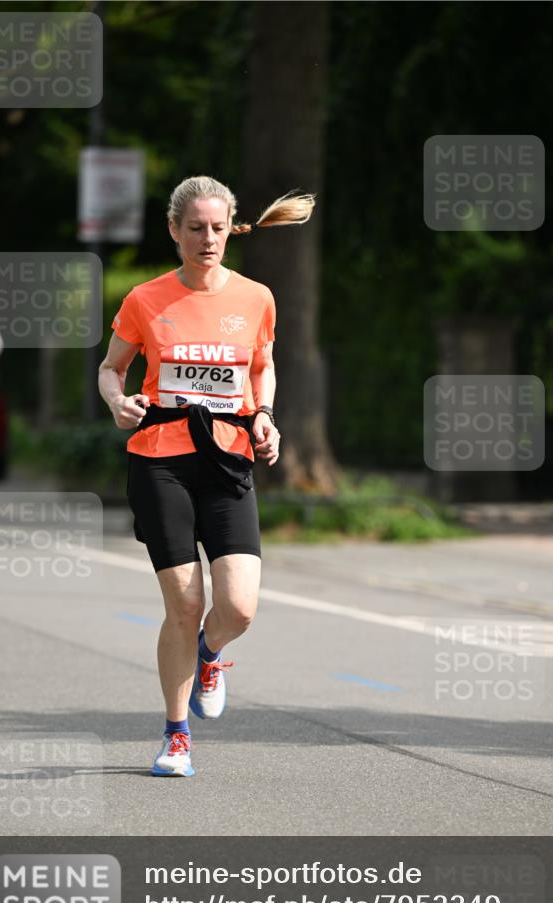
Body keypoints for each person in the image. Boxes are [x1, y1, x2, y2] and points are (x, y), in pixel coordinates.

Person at [98, 175, 315, 777]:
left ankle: (211, 653)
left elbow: (262, 368)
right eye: (195, 228)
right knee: (185, 601)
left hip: (227, 458)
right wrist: (118, 402)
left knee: (239, 608)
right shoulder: (146, 298)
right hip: (160, 457)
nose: (208, 238)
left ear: (231, 229)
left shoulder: (256, 298)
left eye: (218, 228)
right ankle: (175, 736)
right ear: (174, 231)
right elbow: (111, 368)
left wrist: (265, 415)